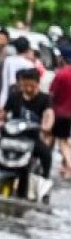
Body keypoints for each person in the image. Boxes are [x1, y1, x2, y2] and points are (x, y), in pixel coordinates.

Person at [0, 68, 54, 178]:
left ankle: (45, 178)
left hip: (32, 137)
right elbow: (3, 114)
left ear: (37, 83)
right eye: (25, 86)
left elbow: (49, 115)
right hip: (12, 135)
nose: (28, 89)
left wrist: (46, 126)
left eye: (31, 86)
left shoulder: (45, 99)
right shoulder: (14, 96)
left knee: (46, 154)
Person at [49, 44, 71, 177]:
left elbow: (52, 94)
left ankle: (69, 164)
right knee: (65, 139)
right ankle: (65, 167)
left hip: (60, 113)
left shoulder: (61, 74)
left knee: (62, 141)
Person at [0, 36, 37, 109]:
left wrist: (1, 102)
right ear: (27, 49)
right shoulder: (29, 64)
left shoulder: (8, 60)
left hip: (9, 95)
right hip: (23, 98)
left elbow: (4, 82)